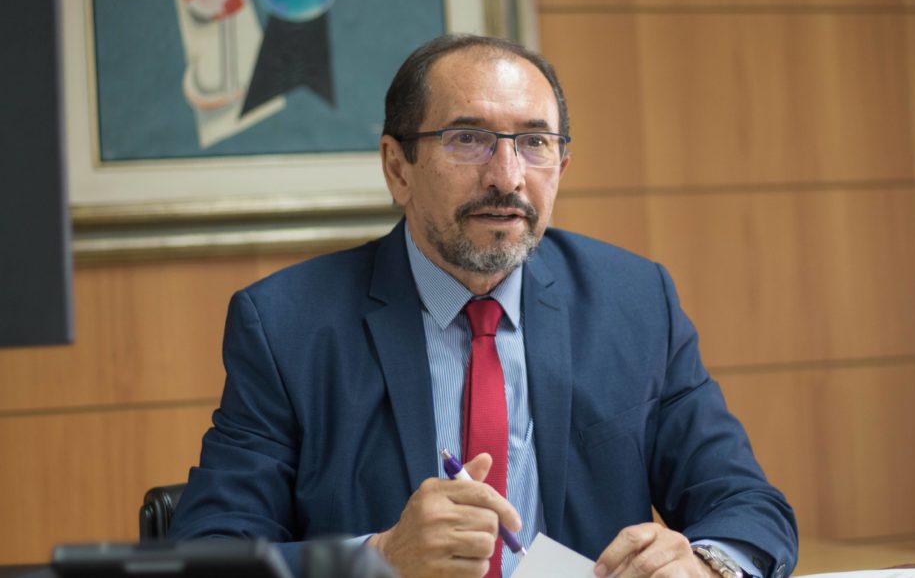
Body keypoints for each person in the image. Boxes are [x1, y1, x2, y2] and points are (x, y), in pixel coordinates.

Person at [170, 34, 799, 578]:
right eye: (468, 139)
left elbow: (747, 506)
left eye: (534, 142)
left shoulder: (633, 302)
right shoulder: (287, 325)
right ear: (398, 168)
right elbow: (210, 550)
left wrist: (704, 564)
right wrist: (379, 558)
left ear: (561, 166)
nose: (507, 176)